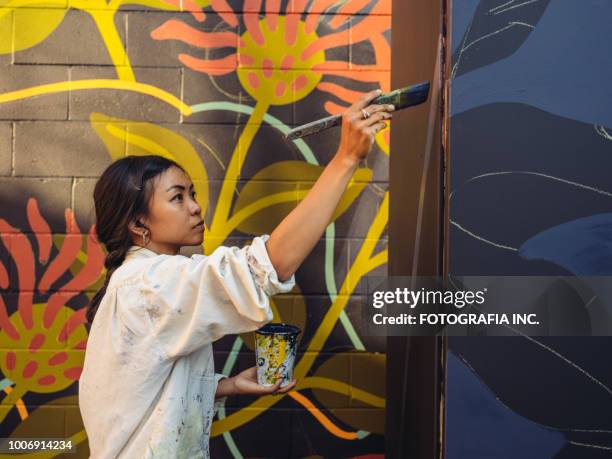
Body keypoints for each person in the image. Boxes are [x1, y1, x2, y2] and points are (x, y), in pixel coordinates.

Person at [78, 90, 394, 458]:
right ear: (137, 222)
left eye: (192, 193)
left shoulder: (139, 281)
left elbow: (137, 388)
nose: (196, 207)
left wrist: (225, 386)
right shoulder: (152, 283)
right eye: (177, 197)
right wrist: (346, 159)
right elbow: (268, 267)